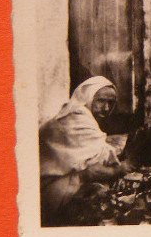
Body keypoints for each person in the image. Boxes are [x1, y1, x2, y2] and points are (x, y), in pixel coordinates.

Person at [39, 76, 126, 225]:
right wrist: (121, 166)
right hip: (50, 190)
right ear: (88, 97)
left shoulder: (77, 115)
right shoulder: (77, 118)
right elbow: (96, 161)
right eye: (101, 100)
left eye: (110, 103)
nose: (106, 108)